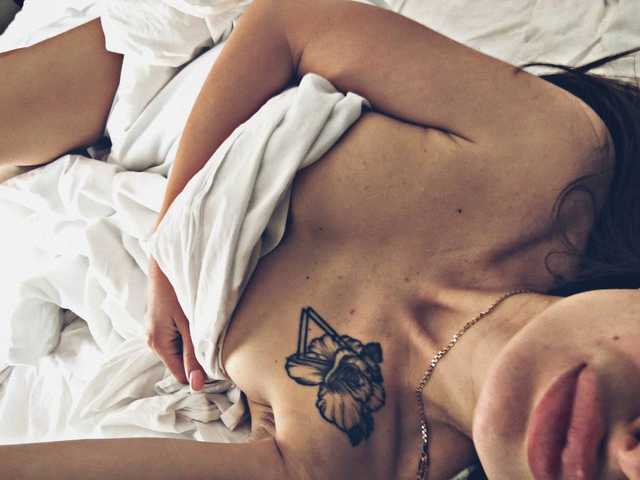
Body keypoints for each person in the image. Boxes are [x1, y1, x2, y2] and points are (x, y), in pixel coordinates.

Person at [1, 0, 640, 478]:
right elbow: (289, 26)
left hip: (99, 240)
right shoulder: (552, 159)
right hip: (171, 98)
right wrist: (172, 239)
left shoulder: (346, 463)